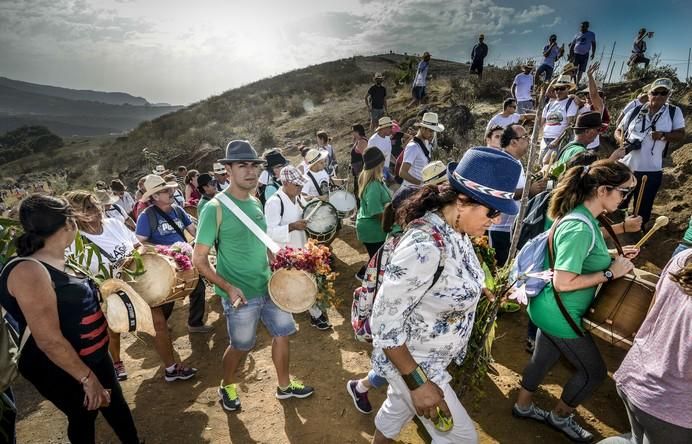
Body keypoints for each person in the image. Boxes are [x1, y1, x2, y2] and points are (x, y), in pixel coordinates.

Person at [370, 148, 520, 444]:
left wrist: (483, 292)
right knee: (462, 439)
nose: (496, 219)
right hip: (417, 363)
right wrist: (417, 383)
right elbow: (384, 324)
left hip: (432, 355)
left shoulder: (458, 231)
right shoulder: (425, 246)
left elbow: (449, 279)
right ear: (462, 200)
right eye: (492, 211)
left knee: (395, 410)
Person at [513, 160, 640, 443]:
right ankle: (560, 417)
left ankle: (522, 406)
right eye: (623, 192)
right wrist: (610, 272)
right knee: (593, 373)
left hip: (549, 308)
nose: (625, 199)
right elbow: (564, 282)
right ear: (604, 190)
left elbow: (580, 255)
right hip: (561, 312)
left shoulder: (583, 217)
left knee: (543, 358)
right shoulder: (580, 226)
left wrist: (608, 256)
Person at [0, 194, 141, 443]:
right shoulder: (28, 271)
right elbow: (49, 340)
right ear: (68, 224)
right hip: (58, 366)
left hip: (94, 353)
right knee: (83, 414)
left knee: (115, 404)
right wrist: (87, 379)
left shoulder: (61, 256)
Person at [192, 139, 315, 413]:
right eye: (241, 165)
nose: (250, 171)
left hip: (269, 287)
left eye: (254, 166)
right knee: (242, 345)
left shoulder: (256, 202)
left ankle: (284, 386)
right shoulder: (215, 208)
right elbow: (198, 259)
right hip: (239, 296)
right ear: (228, 171)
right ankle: (227, 384)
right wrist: (227, 287)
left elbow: (262, 241)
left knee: (283, 333)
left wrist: (277, 264)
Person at [64, 191, 195, 384]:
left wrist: (149, 254)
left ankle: (171, 368)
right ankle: (116, 362)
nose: (98, 210)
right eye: (89, 207)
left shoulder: (114, 225)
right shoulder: (75, 242)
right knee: (113, 330)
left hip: (137, 285)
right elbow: (76, 271)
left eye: (97, 205)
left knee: (158, 323)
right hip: (109, 291)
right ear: (76, 213)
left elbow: (137, 246)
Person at [598, 249, 692, 444]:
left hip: (637, 375)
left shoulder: (685, 256)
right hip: (671, 405)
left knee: (635, 439)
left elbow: (653, 312)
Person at [135, 174, 212, 339]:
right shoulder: (146, 216)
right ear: (155, 196)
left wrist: (197, 244)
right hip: (164, 265)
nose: (170, 192)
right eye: (164, 191)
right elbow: (140, 244)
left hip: (184, 260)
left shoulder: (178, 210)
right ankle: (158, 325)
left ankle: (195, 323)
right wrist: (166, 250)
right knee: (167, 298)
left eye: (169, 189)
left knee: (197, 288)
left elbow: (193, 230)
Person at [264, 165, 331, 330]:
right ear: (285, 182)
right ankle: (289, 317)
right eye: (297, 185)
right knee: (290, 286)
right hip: (284, 254)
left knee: (308, 281)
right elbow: (269, 232)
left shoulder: (299, 197)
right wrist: (292, 226)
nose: (300, 188)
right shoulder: (274, 202)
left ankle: (316, 315)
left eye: (301, 184)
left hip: (302, 248)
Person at [614, 78, 686, 226]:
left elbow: (680, 134)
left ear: (668, 95)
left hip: (651, 170)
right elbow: (619, 129)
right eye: (655, 92)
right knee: (617, 204)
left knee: (643, 208)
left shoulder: (673, 112)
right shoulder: (636, 110)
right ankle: (616, 233)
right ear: (648, 94)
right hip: (626, 167)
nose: (659, 96)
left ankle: (636, 235)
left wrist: (663, 135)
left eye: (663, 93)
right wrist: (621, 141)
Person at [488, 125, 546, 266]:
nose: (529, 141)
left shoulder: (515, 161)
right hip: (501, 229)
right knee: (503, 269)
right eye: (525, 137)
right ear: (513, 142)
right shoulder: (504, 162)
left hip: (511, 228)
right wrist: (529, 190)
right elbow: (501, 193)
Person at [355, 148, 391, 281]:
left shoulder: (374, 180)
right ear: (377, 164)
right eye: (382, 162)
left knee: (376, 257)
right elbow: (376, 211)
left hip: (371, 227)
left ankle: (363, 275)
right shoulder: (374, 185)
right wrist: (391, 223)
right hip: (373, 229)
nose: (384, 164)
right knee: (377, 259)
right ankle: (365, 278)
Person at [399, 112, 444, 189]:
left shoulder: (426, 142)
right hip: (410, 190)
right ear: (423, 128)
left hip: (420, 189)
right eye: (430, 131)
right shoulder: (413, 147)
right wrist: (421, 184)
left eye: (433, 131)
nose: (432, 134)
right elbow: (402, 173)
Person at [540, 75, 578, 162]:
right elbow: (542, 122)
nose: (558, 91)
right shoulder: (549, 104)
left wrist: (557, 140)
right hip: (545, 139)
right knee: (541, 164)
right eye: (556, 89)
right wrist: (543, 134)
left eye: (562, 88)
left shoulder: (570, 103)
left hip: (558, 139)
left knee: (547, 162)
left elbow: (569, 125)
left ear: (568, 89)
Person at [368, 117, 394, 181]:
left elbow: (388, 154)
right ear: (384, 128)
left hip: (387, 169)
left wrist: (397, 163)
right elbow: (369, 158)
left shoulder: (387, 138)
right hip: (377, 172)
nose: (391, 129)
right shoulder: (373, 140)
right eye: (390, 127)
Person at [350, 124, 369, 207]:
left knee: (359, 192)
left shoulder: (362, 142)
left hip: (361, 171)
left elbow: (365, 158)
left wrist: (363, 173)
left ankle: (361, 210)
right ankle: (358, 211)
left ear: (357, 131)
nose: (352, 133)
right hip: (357, 170)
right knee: (357, 191)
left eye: (352, 131)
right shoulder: (358, 141)